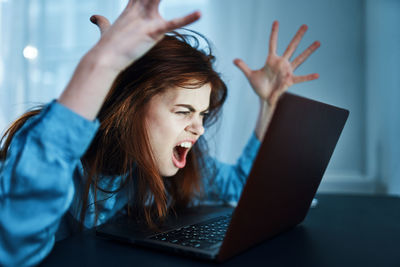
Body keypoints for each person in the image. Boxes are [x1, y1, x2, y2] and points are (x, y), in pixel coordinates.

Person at [0, 0, 320, 266]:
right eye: (183, 111)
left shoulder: (167, 160)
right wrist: (102, 65)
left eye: (202, 114)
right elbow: (13, 249)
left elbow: (237, 187)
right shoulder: (51, 153)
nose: (198, 128)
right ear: (131, 107)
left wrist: (269, 106)